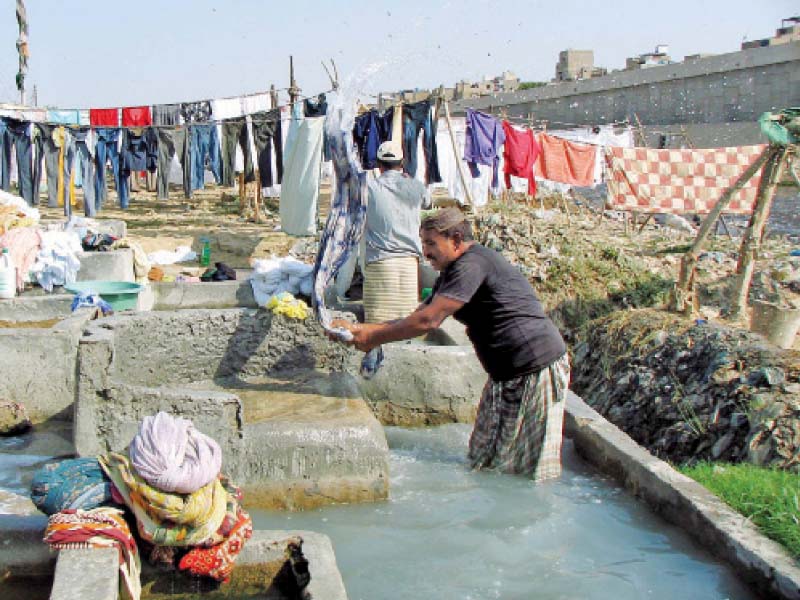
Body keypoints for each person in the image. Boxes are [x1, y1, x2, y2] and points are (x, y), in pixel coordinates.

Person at [332, 207, 570, 481]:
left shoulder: (472, 264)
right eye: (423, 244)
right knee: (485, 460)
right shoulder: (452, 270)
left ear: (456, 240)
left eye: (431, 244)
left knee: (526, 471)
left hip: (533, 367)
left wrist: (372, 338)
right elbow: (419, 315)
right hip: (505, 374)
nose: (426, 253)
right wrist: (360, 330)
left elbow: (428, 321)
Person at [360, 140, 431, 327]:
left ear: (378, 165)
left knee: (377, 329)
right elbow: (427, 202)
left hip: (380, 263)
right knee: (404, 328)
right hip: (409, 264)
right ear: (402, 163)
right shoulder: (415, 186)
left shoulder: (369, 188)